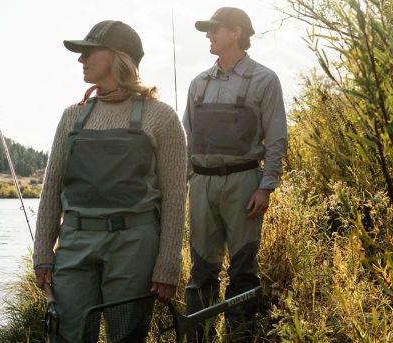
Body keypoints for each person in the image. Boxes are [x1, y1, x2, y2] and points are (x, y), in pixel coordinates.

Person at [32, 20, 187, 343]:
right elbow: (51, 191)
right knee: (68, 336)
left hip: (134, 245)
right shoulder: (71, 117)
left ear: (119, 56)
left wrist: (168, 264)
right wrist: (43, 253)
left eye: (89, 52)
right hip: (74, 244)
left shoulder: (162, 117)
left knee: (126, 337)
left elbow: (175, 197)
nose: (81, 60)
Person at [182, 7, 288, 342]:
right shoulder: (198, 84)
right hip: (200, 184)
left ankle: (240, 337)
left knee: (242, 269)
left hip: (244, 183)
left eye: (216, 29)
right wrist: (179, 186)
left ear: (237, 32)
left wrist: (266, 187)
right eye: (208, 30)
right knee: (201, 270)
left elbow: (277, 139)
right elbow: (187, 139)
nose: (209, 36)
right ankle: (199, 338)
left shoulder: (265, 79)